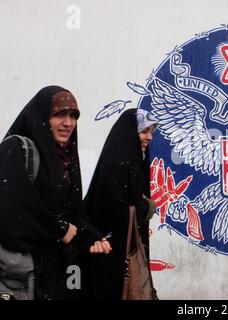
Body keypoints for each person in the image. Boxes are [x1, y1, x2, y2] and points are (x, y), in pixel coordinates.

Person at [0, 86, 111, 300]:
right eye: (59, 114)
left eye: (73, 115)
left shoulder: (67, 162)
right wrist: (58, 229)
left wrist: (91, 237)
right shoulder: (16, 149)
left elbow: (72, 214)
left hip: (56, 276)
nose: (68, 123)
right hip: (20, 277)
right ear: (42, 117)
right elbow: (11, 212)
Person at [82, 108, 157, 300]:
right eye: (144, 131)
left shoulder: (133, 162)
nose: (149, 138)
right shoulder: (117, 164)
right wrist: (143, 208)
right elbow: (109, 209)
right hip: (108, 255)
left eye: (151, 132)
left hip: (123, 251)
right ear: (130, 133)